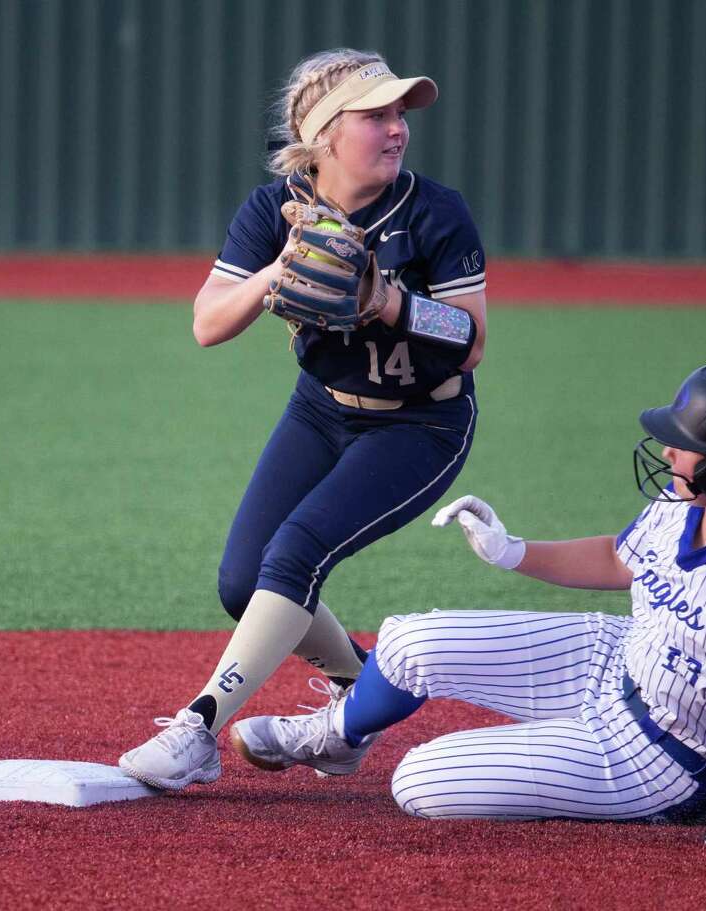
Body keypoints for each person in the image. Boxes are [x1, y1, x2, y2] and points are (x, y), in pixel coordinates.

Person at [231, 363, 706, 849]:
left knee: (420, 781)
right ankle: (334, 739)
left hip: (663, 756)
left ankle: (588, 775)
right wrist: (512, 550)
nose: (668, 451)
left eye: (685, 442)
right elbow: (621, 557)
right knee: (405, 641)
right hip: (615, 660)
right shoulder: (689, 502)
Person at [118, 49, 488, 789]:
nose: (397, 129)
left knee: (293, 553)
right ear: (322, 132)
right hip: (321, 413)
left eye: (399, 114)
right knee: (241, 581)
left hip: (421, 425)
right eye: (376, 115)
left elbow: (473, 341)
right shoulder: (274, 209)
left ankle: (197, 729)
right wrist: (274, 272)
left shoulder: (433, 211)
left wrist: (390, 303)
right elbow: (207, 323)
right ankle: (360, 698)